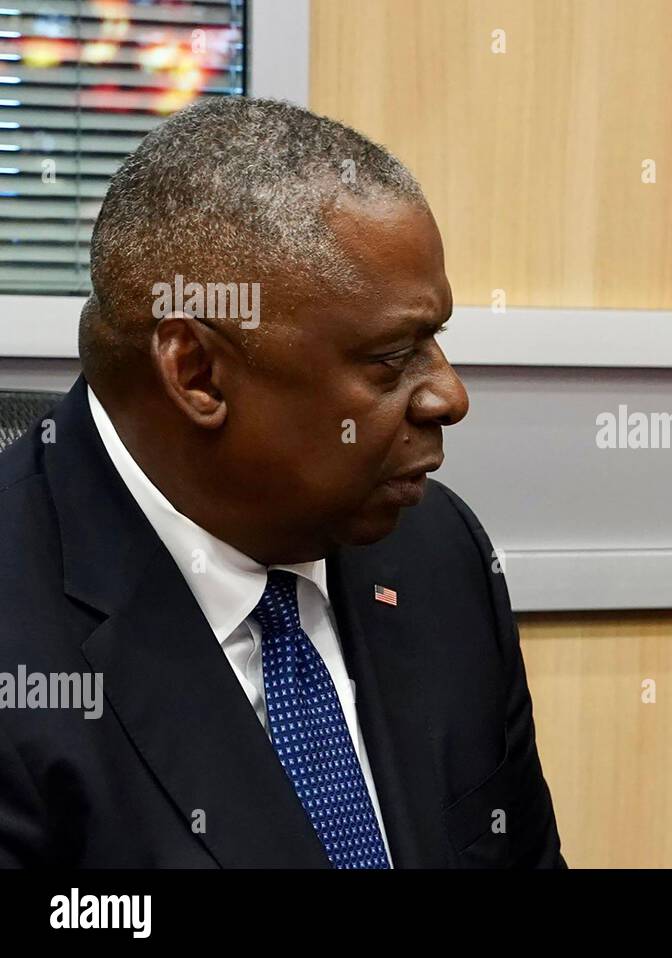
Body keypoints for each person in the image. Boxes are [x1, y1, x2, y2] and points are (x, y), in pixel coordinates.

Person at [0, 97, 563, 868]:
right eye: (393, 359)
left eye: (437, 341)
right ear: (198, 373)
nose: (449, 397)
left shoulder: (439, 555)